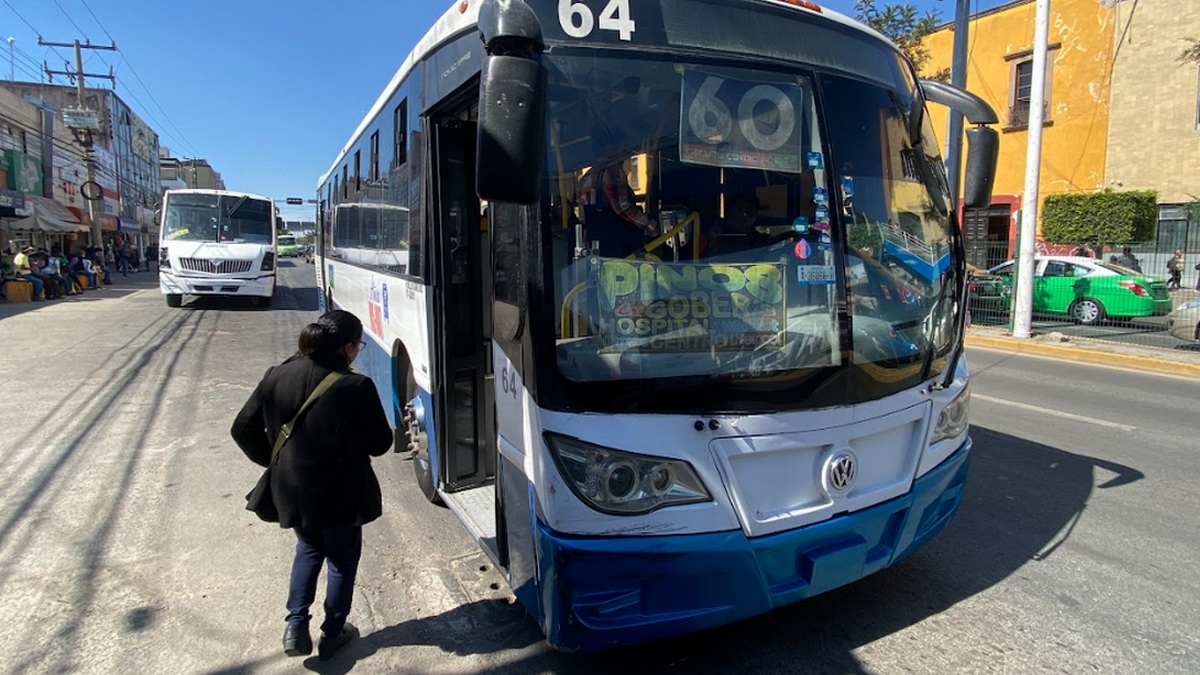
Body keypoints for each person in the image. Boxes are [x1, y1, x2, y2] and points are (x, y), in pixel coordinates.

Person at [230, 310, 392, 661]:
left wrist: (276, 462)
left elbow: (241, 428)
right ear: (348, 347)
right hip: (342, 494)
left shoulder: (277, 374)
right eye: (358, 346)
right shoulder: (355, 386)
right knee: (341, 559)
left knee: (308, 548)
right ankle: (333, 632)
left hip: (291, 490)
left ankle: (295, 625)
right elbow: (381, 443)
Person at [577, 125, 659, 258]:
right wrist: (651, 226)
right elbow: (622, 208)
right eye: (622, 146)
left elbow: (583, 217)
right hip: (619, 249)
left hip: (597, 249)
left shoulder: (585, 178)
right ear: (611, 148)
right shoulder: (612, 171)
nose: (625, 152)